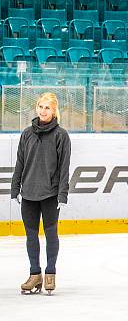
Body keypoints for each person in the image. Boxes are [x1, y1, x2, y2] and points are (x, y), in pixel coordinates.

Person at [12, 92, 71, 296]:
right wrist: (15, 187)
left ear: (54, 111)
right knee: (31, 235)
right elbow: (20, 162)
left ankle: (50, 274)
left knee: (51, 234)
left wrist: (62, 194)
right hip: (28, 193)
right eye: (40, 107)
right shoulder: (27, 133)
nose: (43, 111)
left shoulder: (61, 135)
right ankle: (34, 274)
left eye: (47, 108)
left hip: (50, 194)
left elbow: (64, 168)